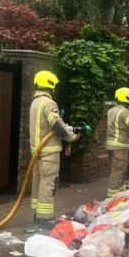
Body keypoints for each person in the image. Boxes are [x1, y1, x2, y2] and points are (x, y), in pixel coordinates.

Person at [28, 70, 79, 233]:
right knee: (49, 183)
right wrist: (71, 137)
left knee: (38, 183)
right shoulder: (49, 103)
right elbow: (57, 126)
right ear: (50, 85)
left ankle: (37, 216)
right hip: (49, 152)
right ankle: (45, 219)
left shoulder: (35, 102)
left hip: (36, 151)